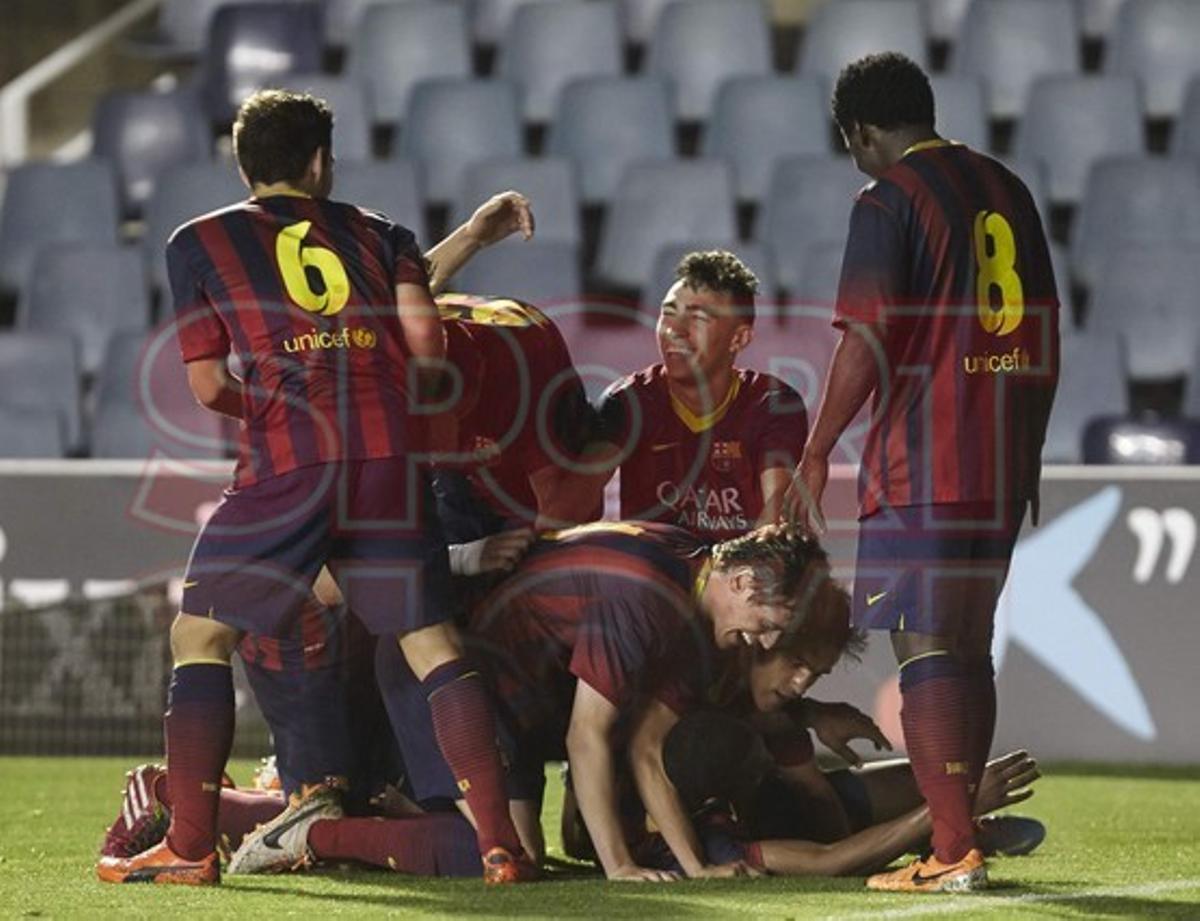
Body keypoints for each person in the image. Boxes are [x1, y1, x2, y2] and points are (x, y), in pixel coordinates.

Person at [96, 89, 537, 886]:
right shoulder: (380, 233)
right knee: (433, 644)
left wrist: (274, 402)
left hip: (291, 462)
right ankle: (499, 842)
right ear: (320, 162)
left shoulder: (198, 241)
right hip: (388, 458)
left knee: (200, 637)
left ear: (245, 164)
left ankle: (191, 847)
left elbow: (205, 386)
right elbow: (423, 342)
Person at [786, 53, 1059, 893]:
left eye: (853, 146)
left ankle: (950, 853)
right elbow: (1044, 335)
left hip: (926, 460)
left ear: (863, 133)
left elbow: (865, 337)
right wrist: (1028, 452)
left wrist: (816, 445)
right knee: (967, 644)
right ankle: (959, 833)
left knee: (925, 644)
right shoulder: (1009, 188)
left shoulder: (889, 198)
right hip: (1001, 460)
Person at [241, 522, 819, 882]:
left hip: (493, 693)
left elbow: (647, 747)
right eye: (770, 624)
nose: (766, 643)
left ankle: (313, 811)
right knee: (508, 857)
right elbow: (585, 736)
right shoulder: (647, 599)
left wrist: (697, 867)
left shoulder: (688, 565)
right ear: (741, 582)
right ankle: (313, 833)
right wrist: (620, 867)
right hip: (447, 681)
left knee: (504, 846)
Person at [628, 567, 1044, 878]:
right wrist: (951, 809)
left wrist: (810, 714)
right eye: (796, 664)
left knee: (929, 780)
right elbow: (830, 859)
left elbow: (825, 809)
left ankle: (943, 822)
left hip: (758, 804)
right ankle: (951, 826)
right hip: (719, 822)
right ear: (761, 641)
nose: (801, 684)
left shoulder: (765, 709)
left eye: (816, 674)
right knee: (933, 799)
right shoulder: (689, 669)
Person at [598, 251, 808, 540]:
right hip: (655, 576)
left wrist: (731, 572)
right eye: (668, 314)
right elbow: (571, 506)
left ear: (739, 338)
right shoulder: (628, 400)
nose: (674, 330)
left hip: (739, 572)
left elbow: (773, 521)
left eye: (697, 318)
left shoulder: (773, 403)